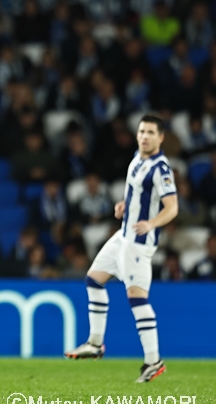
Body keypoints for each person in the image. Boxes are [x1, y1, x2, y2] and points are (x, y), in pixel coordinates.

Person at [65, 114, 178, 383]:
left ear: (161, 137)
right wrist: (125, 206)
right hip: (122, 236)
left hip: (138, 243)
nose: (145, 136)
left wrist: (151, 223)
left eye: (151, 132)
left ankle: (153, 361)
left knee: (137, 298)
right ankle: (95, 343)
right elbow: (139, 195)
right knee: (94, 279)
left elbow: (172, 208)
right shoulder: (137, 160)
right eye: (142, 131)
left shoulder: (161, 168)